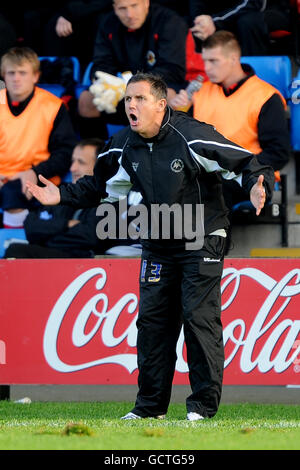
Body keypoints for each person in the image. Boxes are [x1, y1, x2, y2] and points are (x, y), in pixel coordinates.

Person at [26, 72, 274, 421]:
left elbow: (248, 163)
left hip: (202, 235)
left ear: (161, 105)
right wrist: (60, 195)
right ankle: (149, 408)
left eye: (140, 98)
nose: (132, 104)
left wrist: (257, 188)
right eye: (128, 99)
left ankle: (202, 407)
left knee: (197, 316)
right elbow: (98, 186)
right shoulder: (122, 144)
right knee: (153, 324)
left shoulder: (192, 135)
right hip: (159, 240)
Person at [169, 31, 291, 215]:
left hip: (248, 176)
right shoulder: (199, 94)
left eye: (213, 61)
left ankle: (204, 242)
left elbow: (278, 154)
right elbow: (181, 141)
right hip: (204, 173)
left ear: (233, 59)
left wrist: (234, 167)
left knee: (209, 191)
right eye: (205, 61)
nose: (207, 68)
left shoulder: (266, 96)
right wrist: (177, 113)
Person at [77, 0, 188, 139]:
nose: (129, 14)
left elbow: (173, 70)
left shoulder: (169, 21)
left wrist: (134, 85)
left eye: (134, 6)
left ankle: (163, 154)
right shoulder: (108, 23)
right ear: (115, 8)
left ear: (146, 3)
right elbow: (101, 64)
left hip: (157, 86)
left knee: (171, 97)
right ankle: (99, 155)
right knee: (86, 100)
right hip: (122, 91)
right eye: (122, 8)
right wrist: (106, 85)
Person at [0, 46, 77, 229]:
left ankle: (13, 248)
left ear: (35, 76)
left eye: (22, 73)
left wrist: (34, 173)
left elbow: (65, 153)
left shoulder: (53, 106)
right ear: (3, 75)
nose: (16, 78)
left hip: (37, 177)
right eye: (11, 73)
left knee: (14, 193)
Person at [4, 138, 107, 258]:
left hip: (83, 264)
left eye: (81, 162)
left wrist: (48, 237)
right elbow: (31, 227)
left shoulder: (108, 196)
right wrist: (67, 224)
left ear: (99, 167)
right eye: (73, 161)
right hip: (52, 257)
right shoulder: (60, 191)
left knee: (16, 251)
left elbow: (91, 237)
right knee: (14, 250)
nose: (72, 168)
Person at [189, 0, 270, 56]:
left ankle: (252, 72)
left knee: (248, 22)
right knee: (190, 25)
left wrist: (214, 22)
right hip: (217, 17)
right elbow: (197, 6)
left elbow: (252, 4)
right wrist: (201, 22)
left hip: (246, 14)